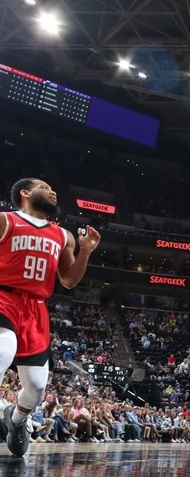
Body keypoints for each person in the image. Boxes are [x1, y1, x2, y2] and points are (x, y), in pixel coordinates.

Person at [0, 178, 101, 457]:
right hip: (3, 296)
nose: (53, 191)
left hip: (36, 308)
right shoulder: (5, 220)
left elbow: (68, 280)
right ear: (25, 193)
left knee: (36, 387)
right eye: (45, 187)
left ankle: (17, 421)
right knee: (3, 348)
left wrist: (86, 251)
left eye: (54, 189)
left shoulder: (63, 235)